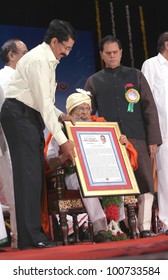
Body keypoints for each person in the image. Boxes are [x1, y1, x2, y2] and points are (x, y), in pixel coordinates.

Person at [0, 19, 77, 250]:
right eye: (66, 47)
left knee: (32, 178)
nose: (67, 52)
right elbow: (42, 103)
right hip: (19, 115)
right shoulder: (37, 60)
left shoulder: (47, 59)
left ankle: (30, 236)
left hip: (28, 115)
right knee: (28, 178)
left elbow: (42, 100)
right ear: (54, 41)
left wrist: (61, 115)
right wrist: (64, 143)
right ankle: (32, 236)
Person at [84, 35, 162, 238]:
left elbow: (149, 108)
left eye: (115, 52)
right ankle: (117, 226)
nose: (112, 56)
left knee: (145, 182)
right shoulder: (94, 81)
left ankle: (144, 227)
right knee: (114, 182)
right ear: (101, 55)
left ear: (121, 53)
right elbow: (87, 112)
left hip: (137, 137)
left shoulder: (135, 75)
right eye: (107, 53)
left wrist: (153, 139)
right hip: (109, 142)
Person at [45, 90, 126, 243]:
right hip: (73, 175)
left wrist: (121, 143)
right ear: (70, 112)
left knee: (118, 178)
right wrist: (65, 156)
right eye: (79, 109)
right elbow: (50, 162)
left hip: (100, 171)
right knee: (86, 179)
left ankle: (116, 224)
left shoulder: (100, 128)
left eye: (87, 109)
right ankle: (99, 228)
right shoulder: (60, 130)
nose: (84, 113)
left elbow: (113, 156)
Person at [141, 31, 168, 235]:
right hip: (164, 133)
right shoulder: (151, 65)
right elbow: (146, 102)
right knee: (167, 179)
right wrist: (152, 136)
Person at [0, 39, 28, 249]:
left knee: (17, 190)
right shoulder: (5, 78)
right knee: (14, 191)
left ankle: (20, 236)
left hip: (15, 141)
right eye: (24, 53)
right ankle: (19, 237)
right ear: (11, 55)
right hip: (7, 142)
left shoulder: (19, 78)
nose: (27, 57)